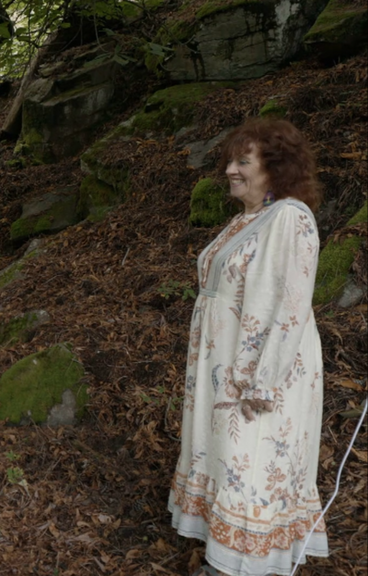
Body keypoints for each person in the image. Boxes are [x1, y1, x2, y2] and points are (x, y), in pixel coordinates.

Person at [168, 117, 328, 576]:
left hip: (259, 374)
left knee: (251, 462)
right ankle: (226, 562)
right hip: (225, 368)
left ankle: (243, 568)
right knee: (228, 462)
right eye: (230, 161)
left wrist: (262, 381)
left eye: (244, 161)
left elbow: (290, 306)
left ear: (275, 167)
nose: (230, 171)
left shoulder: (290, 218)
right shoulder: (248, 220)